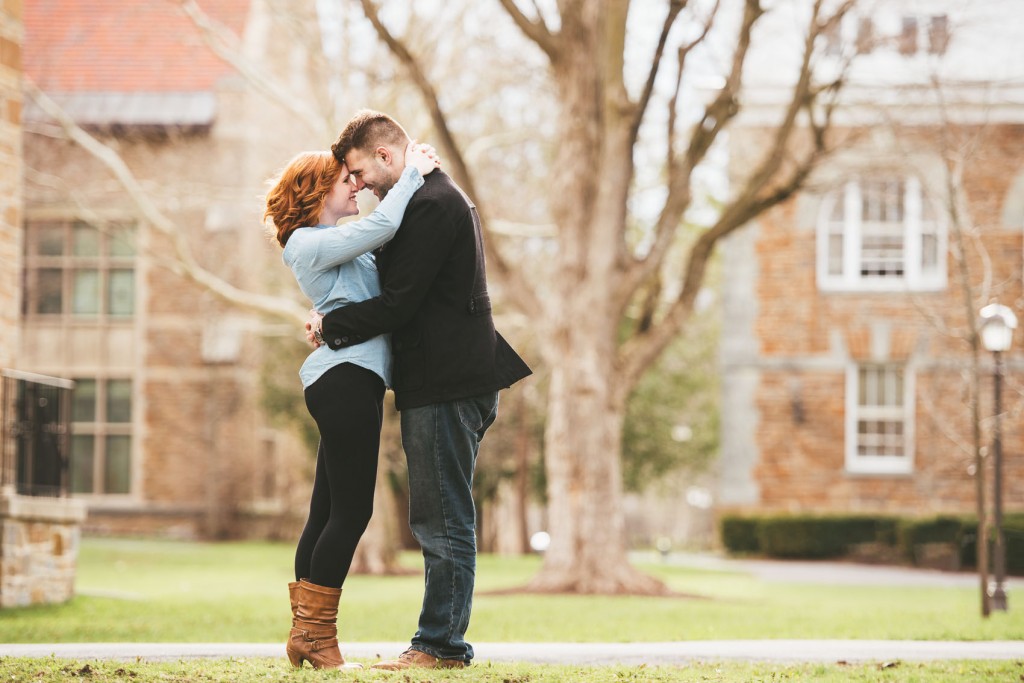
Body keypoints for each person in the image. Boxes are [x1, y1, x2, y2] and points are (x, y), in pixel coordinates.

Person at [310, 110, 532, 670]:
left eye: (358, 172)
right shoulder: (418, 199)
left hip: (447, 382)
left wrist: (329, 327)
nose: (355, 185)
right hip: (441, 379)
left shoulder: (432, 204)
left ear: (387, 156)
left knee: (442, 517)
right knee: (438, 514)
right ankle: (438, 642)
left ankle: (440, 646)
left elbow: (399, 302)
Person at [263, 141, 439, 670]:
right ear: (318, 192)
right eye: (347, 181)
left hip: (348, 377)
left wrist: (324, 316)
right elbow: (381, 229)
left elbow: (374, 274)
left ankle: (304, 635)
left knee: (325, 512)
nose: (356, 186)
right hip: (345, 378)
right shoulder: (306, 242)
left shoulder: (331, 242)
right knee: (353, 509)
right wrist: (416, 174)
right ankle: (317, 638)